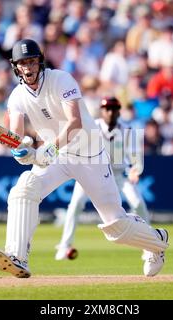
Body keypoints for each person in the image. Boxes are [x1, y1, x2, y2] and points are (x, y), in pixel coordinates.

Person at [0, 39, 169, 278]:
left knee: (116, 227)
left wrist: (49, 148)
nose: (28, 68)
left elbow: (74, 122)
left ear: (39, 62)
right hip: (58, 156)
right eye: (23, 63)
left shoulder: (61, 79)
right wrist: (19, 151)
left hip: (89, 155)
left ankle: (156, 242)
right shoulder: (17, 97)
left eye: (32, 61)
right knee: (24, 189)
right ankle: (17, 257)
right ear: (16, 67)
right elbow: (16, 135)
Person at [55, 97, 151, 260]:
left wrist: (136, 170)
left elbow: (136, 157)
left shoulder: (127, 130)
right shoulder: (93, 127)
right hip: (91, 173)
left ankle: (149, 247)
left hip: (119, 175)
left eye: (114, 109)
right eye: (107, 109)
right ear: (102, 111)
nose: (110, 112)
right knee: (76, 204)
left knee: (138, 203)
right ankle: (64, 245)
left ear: (119, 111)